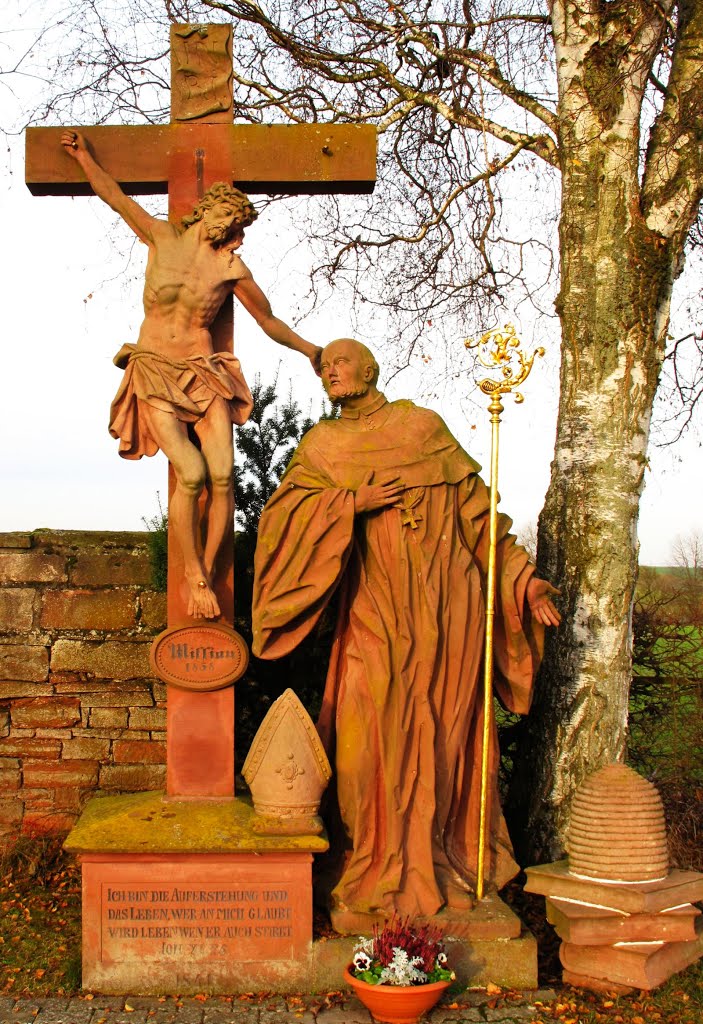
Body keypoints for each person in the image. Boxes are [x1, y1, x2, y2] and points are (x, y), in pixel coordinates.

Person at [251, 337, 560, 928]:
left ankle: (443, 864)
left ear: (369, 368)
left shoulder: (424, 429)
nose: (329, 371)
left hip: (450, 620)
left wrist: (524, 583)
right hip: (373, 614)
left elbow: (480, 521)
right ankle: (373, 865)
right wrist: (349, 503)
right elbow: (281, 523)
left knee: (443, 741)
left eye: (339, 361)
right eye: (323, 367)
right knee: (364, 742)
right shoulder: (322, 446)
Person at [60, 130, 321, 620]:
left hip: (204, 371)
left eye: (241, 226)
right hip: (156, 368)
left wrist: (310, 349)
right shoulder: (160, 236)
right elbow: (115, 198)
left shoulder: (231, 268)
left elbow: (267, 319)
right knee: (193, 473)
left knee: (224, 475)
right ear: (210, 211)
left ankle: (214, 572)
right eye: (232, 219)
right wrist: (84, 157)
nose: (235, 231)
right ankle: (193, 575)